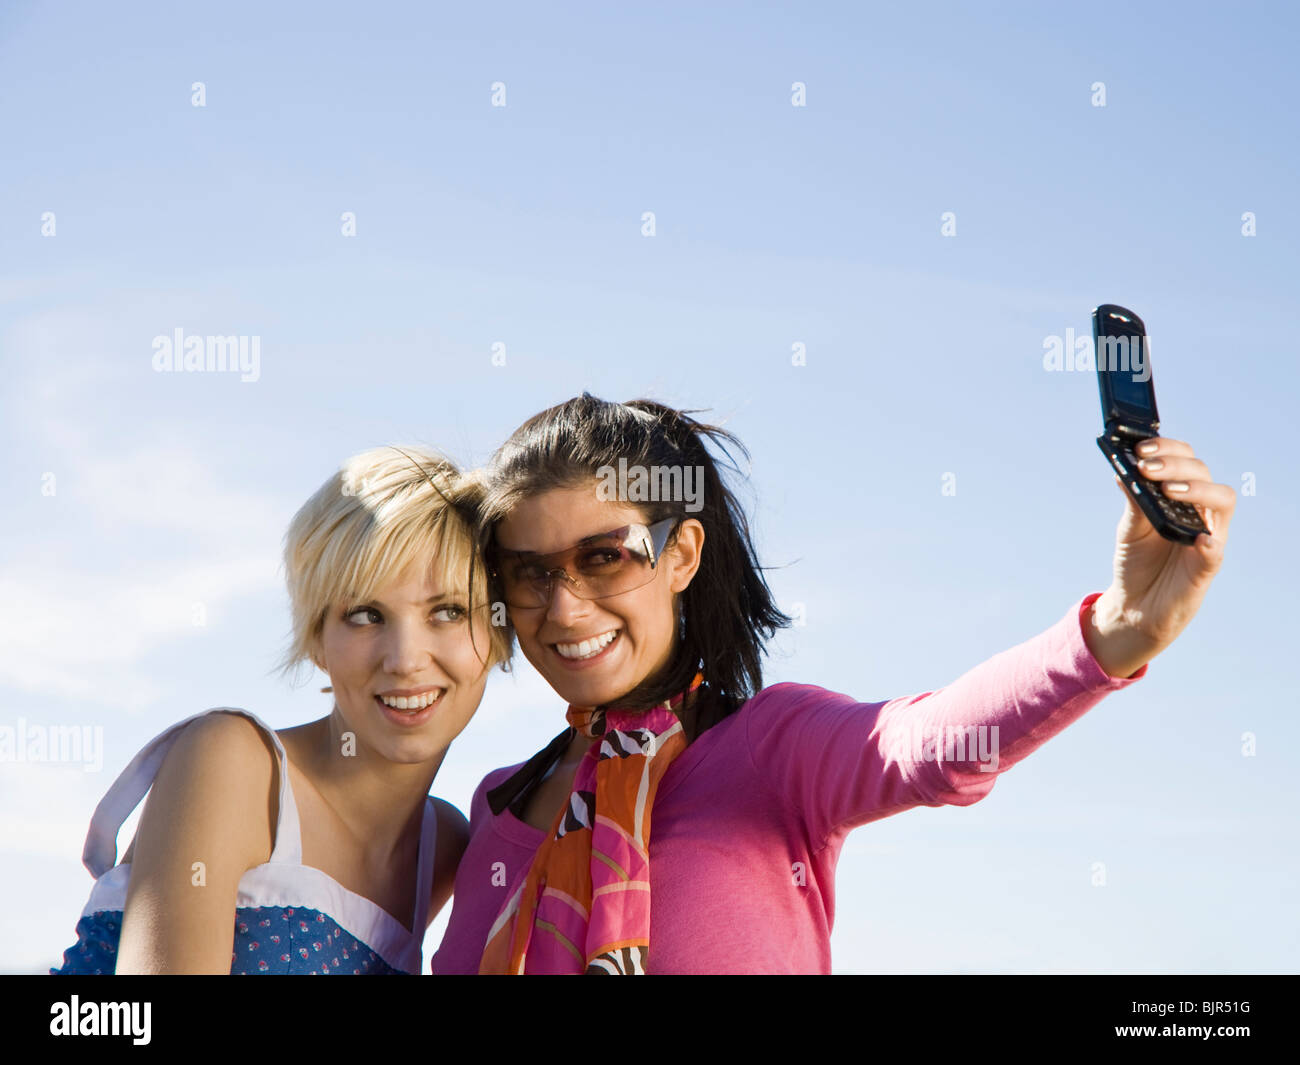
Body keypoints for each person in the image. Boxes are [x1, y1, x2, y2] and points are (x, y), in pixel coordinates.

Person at [431, 393, 1235, 975]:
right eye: (529, 571)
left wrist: (1121, 628)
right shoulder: (497, 807)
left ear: (680, 556)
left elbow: (928, 745)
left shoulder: (772, 750)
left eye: (605, 554)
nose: (564, 605)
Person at [52, 445, 508, 974]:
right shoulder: (234, 762)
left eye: (448, 611)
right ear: (316, 639)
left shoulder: (444, 846)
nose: (405, 660)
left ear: (499, 632)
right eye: (365, 615)